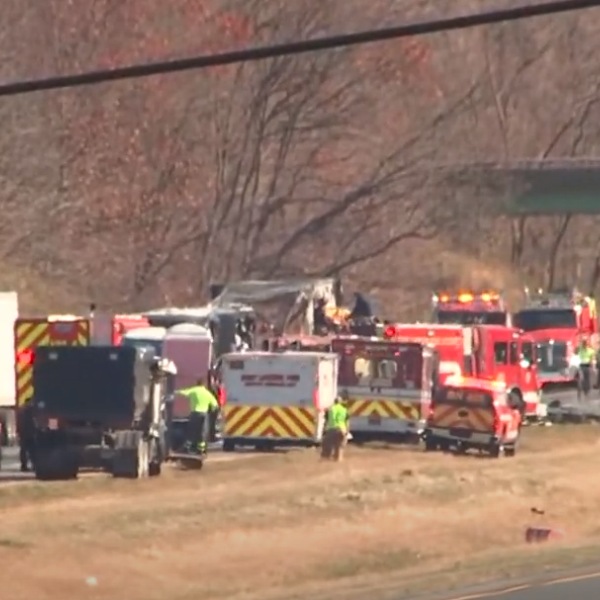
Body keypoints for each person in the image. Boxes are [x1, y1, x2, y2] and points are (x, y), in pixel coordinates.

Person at [175, 378, 219, 455]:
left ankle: (187, 448)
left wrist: (175, 392)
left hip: (195, 414)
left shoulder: (194, 390)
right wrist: (212, 410)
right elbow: (215, 405)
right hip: (204, 415)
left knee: (192, 431)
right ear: (204, 385)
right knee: (202, 432)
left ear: (197, 383)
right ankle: (201, 450)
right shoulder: (207, 393)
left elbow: (184, 392)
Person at [321, 396, 349, 462]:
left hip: (331, 430)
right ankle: (338, 461)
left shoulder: (330, 409)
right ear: (341, 402)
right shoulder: (344, 410)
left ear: (334, 402)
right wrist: (346, 432)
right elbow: (347, 422)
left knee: (326, 448)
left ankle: (326, 461)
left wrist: (323, 431)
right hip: (342, 430)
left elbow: (326, 421)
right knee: (339, 448)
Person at [17, 396, 36, 472]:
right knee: (32, 450)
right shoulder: (30, 409)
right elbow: (31, 421)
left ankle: (24, 465)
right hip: (29, 432)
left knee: (24, 450)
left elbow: (19, 422)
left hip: (23, 432)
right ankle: (33, 465)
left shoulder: (21, 409)